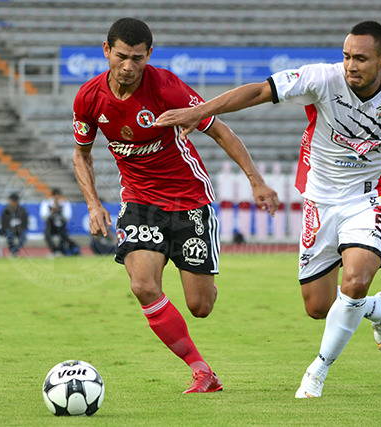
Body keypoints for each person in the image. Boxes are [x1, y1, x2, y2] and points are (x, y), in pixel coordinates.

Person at [155, 21, 381, 398]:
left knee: (356, 280)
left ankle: (317, 371)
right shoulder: (321, 79)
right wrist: (201, 111)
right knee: (318, 307)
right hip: (320, 199)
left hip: (368, 198)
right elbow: (260, 90)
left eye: (361, 58)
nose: (351, 66)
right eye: (346, 56)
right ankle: (377, 309)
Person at [72, 18, 279, 394]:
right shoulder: (89, 98)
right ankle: (202, 371)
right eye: (121, 56)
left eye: (137, 58)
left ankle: (203, 277)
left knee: (200, 306)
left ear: (149, 55)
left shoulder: (167, 87)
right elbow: (80, 154)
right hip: (139, 201)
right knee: (142, 285)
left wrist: (256, 180)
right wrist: (92, 204)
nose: (129, 66)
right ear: (106, 51)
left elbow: (219, 130)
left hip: (189, 199)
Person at [39, 188, 78, 256]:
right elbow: (43, 216)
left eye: (58, 196)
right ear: (52, 196)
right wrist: (51, 212)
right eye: (55, 196)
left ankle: (61, 250)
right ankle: (54, 251)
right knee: (47, 234)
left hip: (61, 225)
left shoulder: (65, 203)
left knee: (64, 234)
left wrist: (60, 211)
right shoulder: (46, 203)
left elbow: (68, 217)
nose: (56, 198)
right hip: (50, 225)